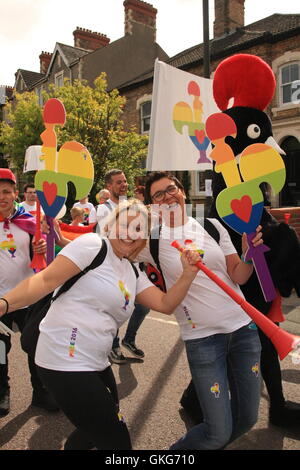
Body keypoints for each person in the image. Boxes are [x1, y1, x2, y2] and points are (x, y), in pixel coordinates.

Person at [0, 199, 200, 450]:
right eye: (126, 224)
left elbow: (165, 303)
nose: (131, 233)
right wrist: (4, 304)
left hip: (96, 362)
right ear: (111, 225)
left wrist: (188, 274)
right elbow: (44, 281)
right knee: (117, 442)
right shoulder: (92, 245)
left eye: (139, 229)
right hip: (63, 358)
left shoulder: (132, 272)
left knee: (91, 432)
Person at [137, 171, 263, 450]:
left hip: (244, 332)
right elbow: (112, 247)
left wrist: (248, 255)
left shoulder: (212, 226)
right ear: (153, 205)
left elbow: (238, 275)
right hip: (203, 340)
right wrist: (58, 236)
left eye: (171, 189)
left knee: (247, 418)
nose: (167, 196)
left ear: (182, 192)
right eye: (158, 194)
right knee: (217, 433)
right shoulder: (151, 239)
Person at [0, 168, 58, 416]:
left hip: (29, 296)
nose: (1, 196)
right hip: (1, 301)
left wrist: (43, 247)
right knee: (0, 350)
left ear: (15, 193)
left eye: (5, 191)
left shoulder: (29, 220)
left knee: (36, 346)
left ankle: (41, 392)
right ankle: (2, 392)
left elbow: (44, 255)